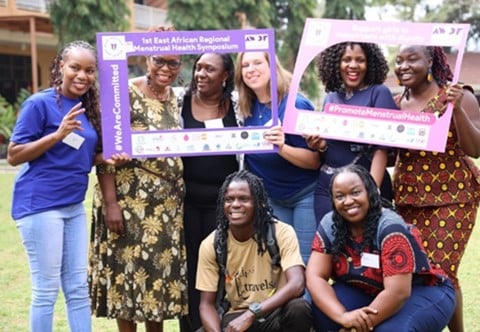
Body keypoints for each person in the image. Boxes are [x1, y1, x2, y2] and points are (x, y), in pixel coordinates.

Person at [7, 40, 127, 332]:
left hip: (73, 206)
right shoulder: (39, 104)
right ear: (61, 66)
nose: (82, 76)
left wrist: (107, 158)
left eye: (89, 70)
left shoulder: (87, 108)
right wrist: (57, 135)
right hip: (40, 206)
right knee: (46, 290)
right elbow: (13, 154)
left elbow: (80, 156)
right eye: (75, 67)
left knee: (77, 288)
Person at [88, 26, 188, 332]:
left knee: (156, 284)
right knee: (128, 278)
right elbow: (105, 150)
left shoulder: (177, 98)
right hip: (128, 201)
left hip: (166, 206)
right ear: (147, 58)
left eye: (174, 63)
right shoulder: (123, 93)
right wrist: (111, 204)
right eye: (160, 60)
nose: (166, 69)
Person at [392, 45, 480, 332]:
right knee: (415, 272)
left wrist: (457, 108)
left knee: (443, 272)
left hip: (454, 195)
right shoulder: (397, 103)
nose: (404, 66)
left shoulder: (457, 96)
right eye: (399, 61)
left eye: (412, 59)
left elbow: (476, 149)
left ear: (431, 61)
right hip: (409, 199)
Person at [307, 164, 456, 332]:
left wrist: (355, 328)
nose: (348, 201)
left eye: (356, 192)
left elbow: (398, 292)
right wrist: (343, 317)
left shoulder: (391, 227)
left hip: (420, 290)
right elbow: (315, 275)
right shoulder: (330, 223)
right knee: (324, 314)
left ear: (371, 192)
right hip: (367, 290)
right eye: (340, 196)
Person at [196, 170, 313, 332]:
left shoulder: (282, 232)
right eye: (229, 199)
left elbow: (297, 284)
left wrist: (252, 313)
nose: (235, 204)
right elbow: (206, 304)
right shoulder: (212, 243)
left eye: (244, 199)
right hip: (236, 315)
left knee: (298, 308)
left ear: (259, 203)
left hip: (274, 311)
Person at [235, 51, 320, 264]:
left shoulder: (295, 104)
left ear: (272, 66)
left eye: (257, 63)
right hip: (271, 196)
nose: (251, 69)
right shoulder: (243, 108)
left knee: (304, 260)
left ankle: (308, 299)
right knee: (281, 259)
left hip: (304, 195)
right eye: (245, 65)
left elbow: (315, 161)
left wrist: (281, 147)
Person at [179, 53, 241, 332]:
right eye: (198, 68)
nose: (201, 74)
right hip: (187, 203)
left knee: (224, 269)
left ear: (225, 75)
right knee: (191, 271)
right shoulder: (179, 102)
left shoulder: (238, 105)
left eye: (209, 69)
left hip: (228, 205)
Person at [305, 42, 397, 224]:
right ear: (336, 63)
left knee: (367, 249)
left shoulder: (379, 93)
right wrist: (320, 145)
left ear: (369, 63)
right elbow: (331, 147)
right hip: (327, 187)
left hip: (364, 187)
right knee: (329, 245)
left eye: (360, 60)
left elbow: (382, 149)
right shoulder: (331, 97)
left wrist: (372, 192)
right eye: (346, 59)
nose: (353, 65)